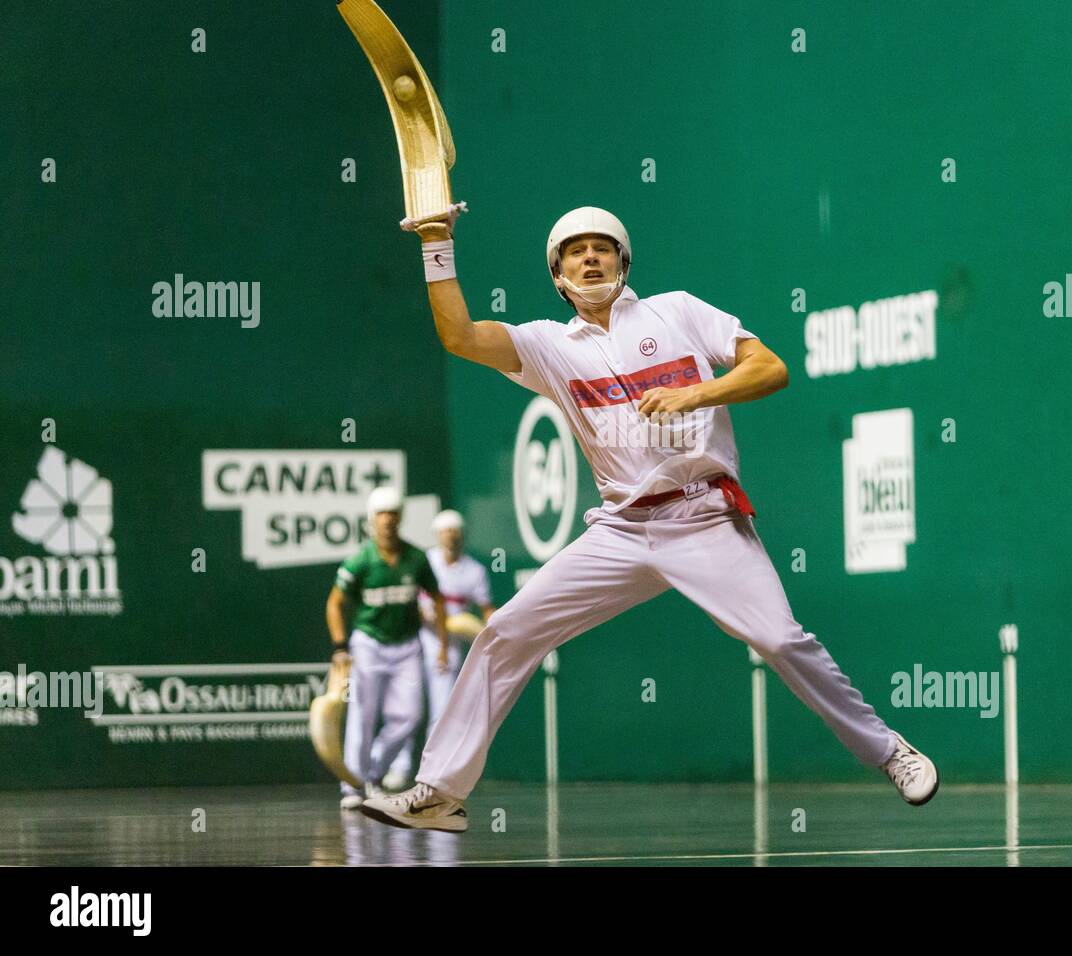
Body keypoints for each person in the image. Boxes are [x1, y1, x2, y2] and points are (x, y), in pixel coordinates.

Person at [360, 205, 938, 831]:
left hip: (705, 519)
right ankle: (441, 792)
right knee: (505, 630)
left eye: (602, 248)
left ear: (623, 261)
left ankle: (889, 751)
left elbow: (771, 368)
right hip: (621, 530)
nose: (589, 258)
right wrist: (437, 244)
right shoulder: (547, 347)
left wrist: (696, 392)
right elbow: (460, 336)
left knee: (778, 638)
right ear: (558, 276)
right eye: (575, 251)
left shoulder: (679, 311)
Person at [326, 486, 446, 810]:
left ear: (400, 518)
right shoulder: (360, 561)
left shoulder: (416, 559)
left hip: (407, 646)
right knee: (362, 717)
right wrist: (340, 646)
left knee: (410, 716)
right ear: (371, 520)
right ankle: (352, 785)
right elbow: (334, 604)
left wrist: (443, 646)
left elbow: (437, 599)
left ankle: (374, 773)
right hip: (368, 645)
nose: (388, 521)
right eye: (381, 515)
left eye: (393, 514)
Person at [382, 508, 496, 791]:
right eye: (446, 531)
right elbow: (407, 595)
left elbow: (486, 609)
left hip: (450, 646)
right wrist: (422, 612)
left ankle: (432, 773)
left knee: (441, 710)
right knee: (406, 707)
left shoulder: (475, 571)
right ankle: (400, 766)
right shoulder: (425, 561)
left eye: (455, 532)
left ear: (462, 536)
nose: (451, 537)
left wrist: (496, 629)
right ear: (437, 535)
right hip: (414, 639)